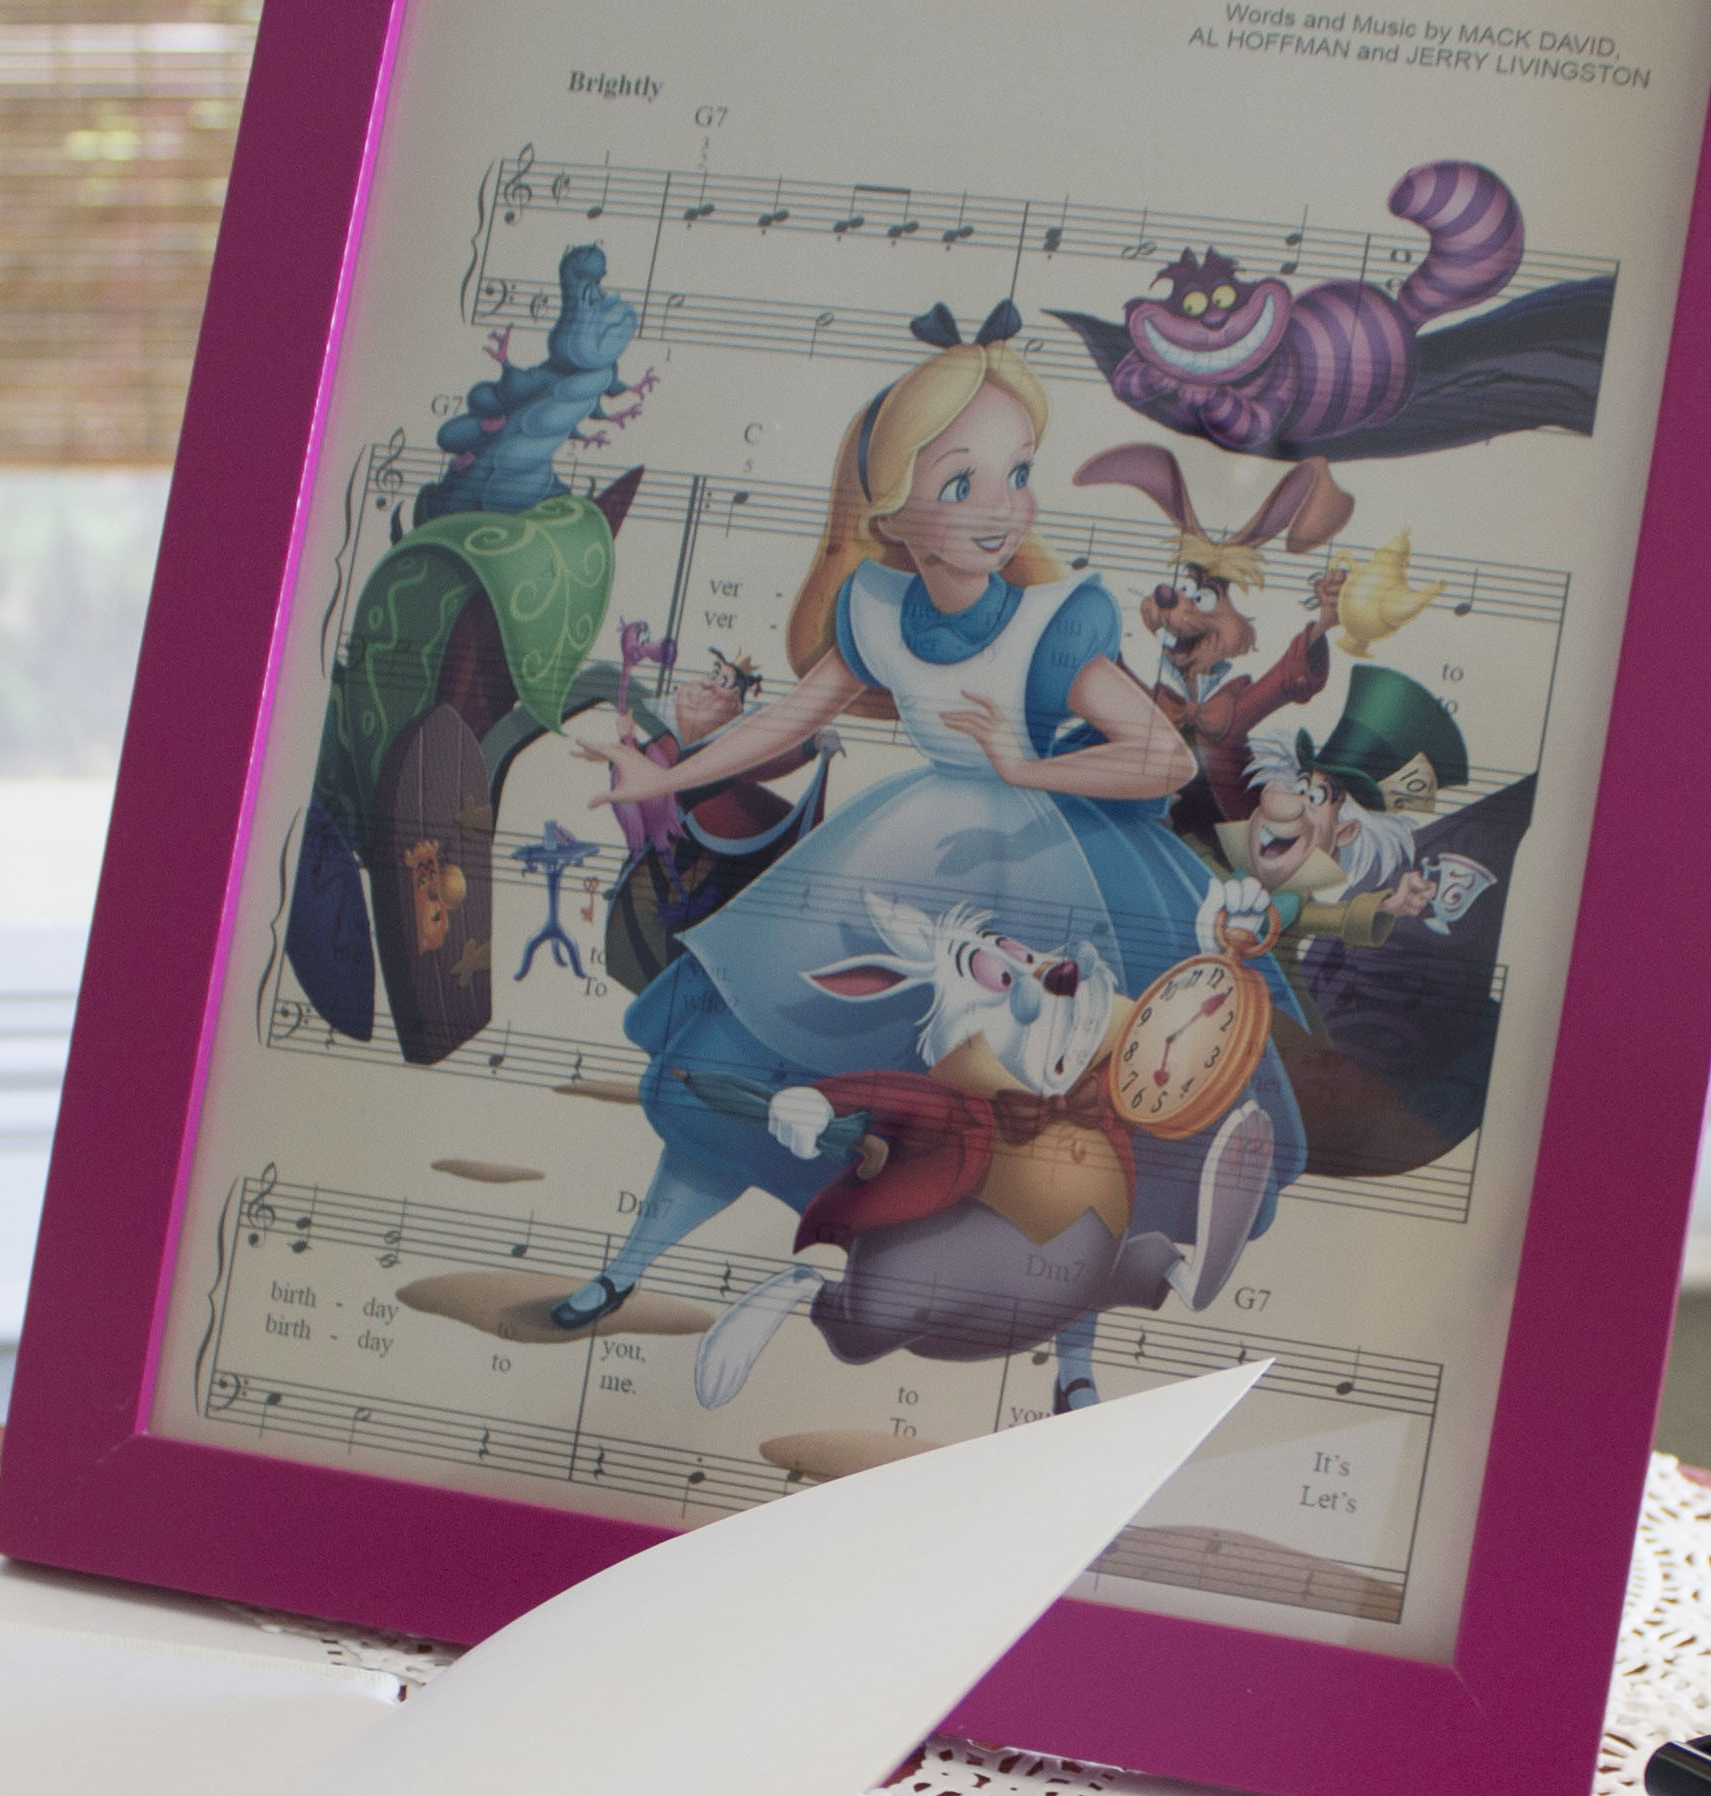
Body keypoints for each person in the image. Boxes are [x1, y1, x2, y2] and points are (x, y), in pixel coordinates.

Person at [552, 316, 1305, 1400]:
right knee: (752, 1051)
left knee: (1082, 1126)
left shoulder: (1052, 623)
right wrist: (658, 777)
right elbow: (792, 718)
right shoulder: (874, 607)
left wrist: (1025, 765)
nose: (1003, 506)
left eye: (1019, 474)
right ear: (892, 512)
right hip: (901, 860)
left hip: (1053, 867)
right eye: (963, 484)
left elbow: (1159, 757)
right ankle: (628, 1266)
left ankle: (1076, 1366)